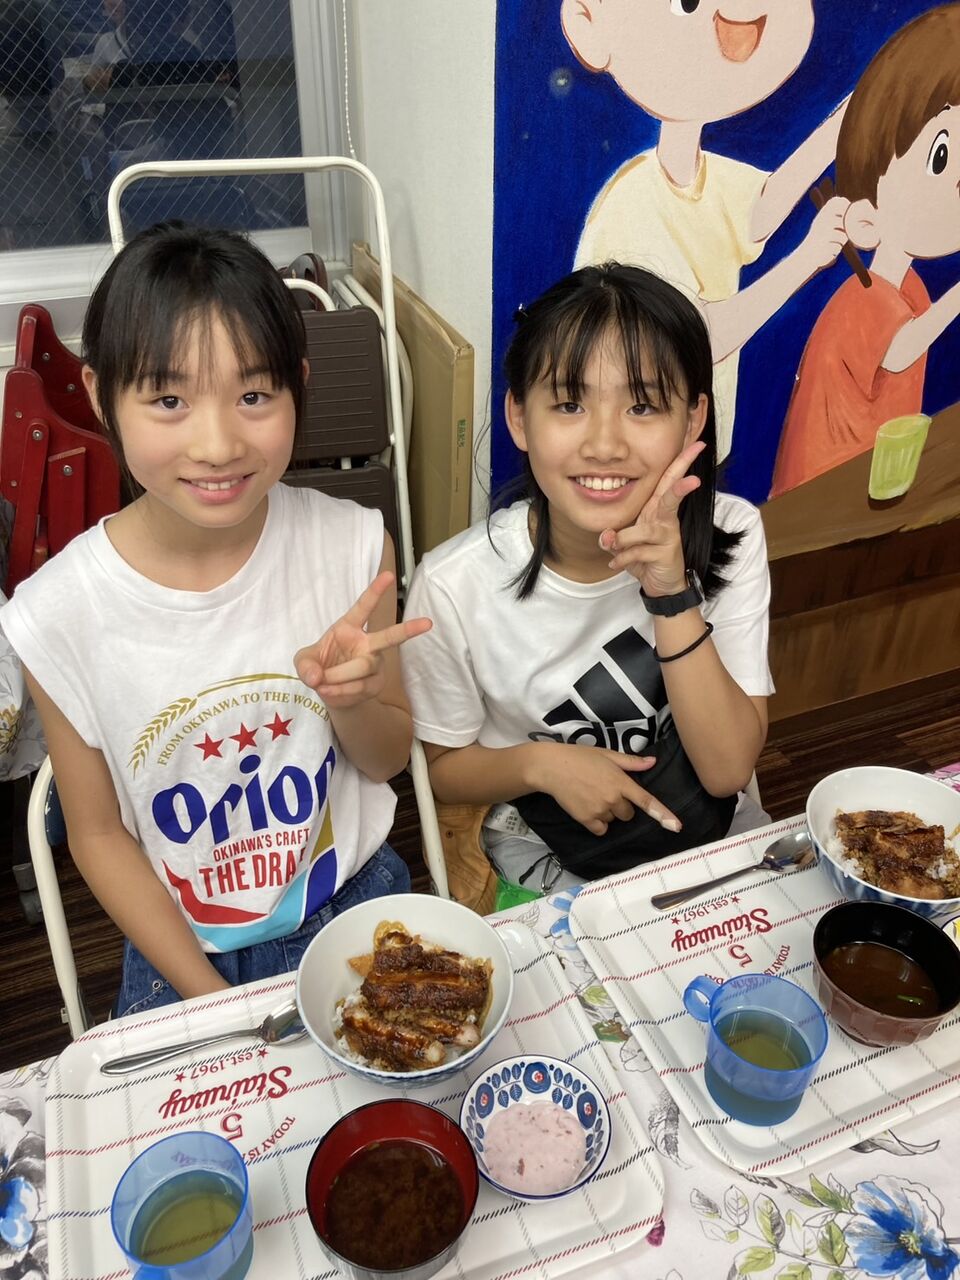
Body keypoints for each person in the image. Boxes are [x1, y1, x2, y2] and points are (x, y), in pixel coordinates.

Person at [0, 222, 431, 1017]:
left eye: (254, 396)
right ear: (100, 394)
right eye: (169, 400)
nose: (218, 443)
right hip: (181, 948)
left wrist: (352, 702)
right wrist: (214, 1004)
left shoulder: (352, 547)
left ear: (298, 385)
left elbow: (386, 760)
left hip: (354, 904)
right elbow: (96, 834)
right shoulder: (57, 613)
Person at [402, 263, 773, 900]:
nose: (604, 444)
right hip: (545, 841)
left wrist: (671, 592)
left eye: (642, 405)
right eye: (570, 404)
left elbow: (727, 771)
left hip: (704, 835)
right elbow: (443, 770)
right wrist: (542, 764)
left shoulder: (732, 532)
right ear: (519, 417)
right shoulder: (452, 585)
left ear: (693, 421)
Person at [562, 0, 849, 461]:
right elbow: (696, 336)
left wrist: (847, 122)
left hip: (700, 448)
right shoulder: (630, 208)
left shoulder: (707, 176)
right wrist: (806, 259)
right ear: (589, 27)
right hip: (635, 459)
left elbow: (760, 212)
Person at [770, 4, 960, 497]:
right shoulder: (864, 298)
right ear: (866, 219)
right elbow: (898, 353)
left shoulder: (910, 289)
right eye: (941, 157)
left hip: (870, 483)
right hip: (818, 492)